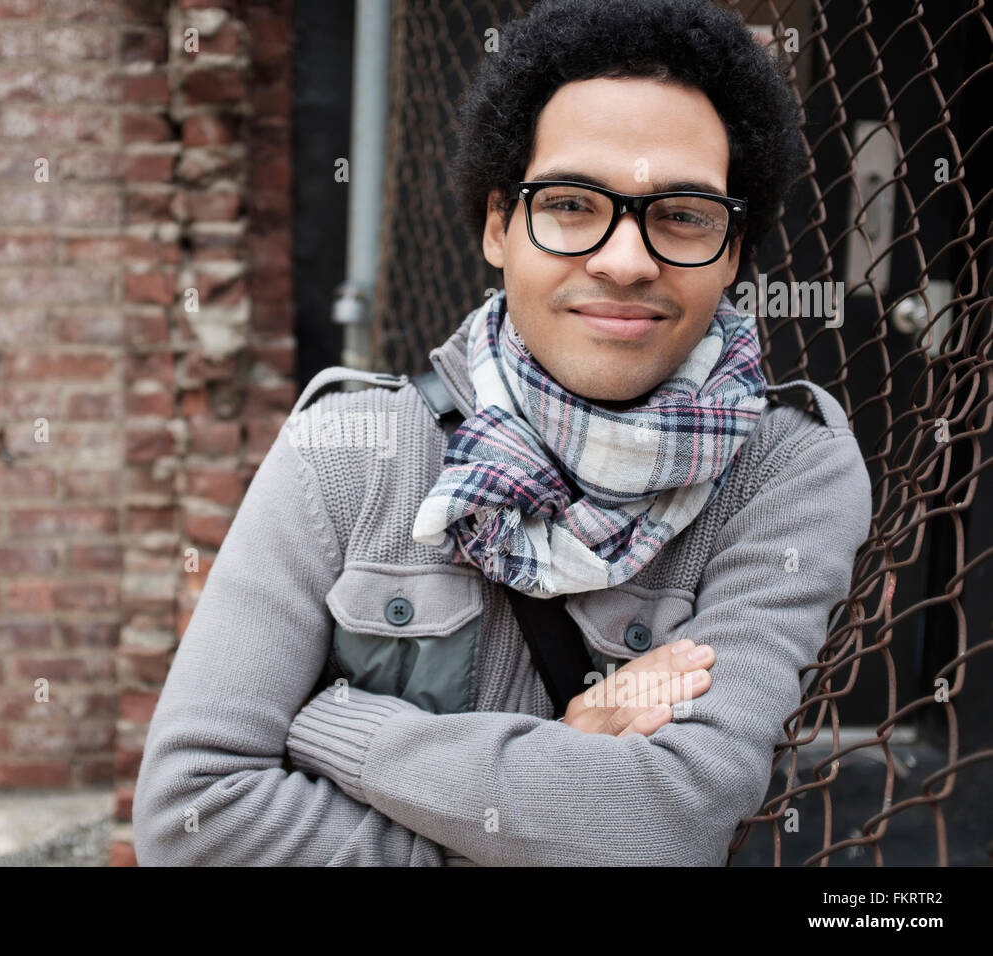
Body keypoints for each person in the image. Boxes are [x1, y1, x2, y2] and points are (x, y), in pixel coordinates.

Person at [132, 0, 872, 865]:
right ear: (498, 226)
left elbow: (666, 824)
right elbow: (193, 816)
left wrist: (345, 730)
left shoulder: (786, 472)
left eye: (683, 215)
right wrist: (554, 813)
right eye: (570, 203)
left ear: (735, 250)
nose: (625, 260)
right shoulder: (349, 450)